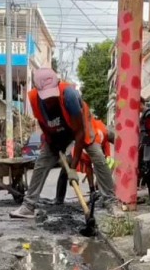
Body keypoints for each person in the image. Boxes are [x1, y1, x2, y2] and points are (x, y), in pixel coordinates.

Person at [10, 67, 119, 219]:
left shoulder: (69, 95)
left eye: (52, 95)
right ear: (37, 89)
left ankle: (111, 202)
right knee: (41, 164)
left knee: (99, 158)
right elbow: (42, 122)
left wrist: (73, 168)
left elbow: (80, 133)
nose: (49, 100)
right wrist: (51, 142)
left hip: (80, 126)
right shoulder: (34, 98)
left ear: (58, 85)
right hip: (56, 131)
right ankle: (28, 206)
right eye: (45, 97)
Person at [54, 117, 113, 204]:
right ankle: (59, 199)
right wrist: (92, 188)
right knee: (65, 168)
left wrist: (99, 182)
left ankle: (107, 197)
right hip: (78, 147)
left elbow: (106, 164)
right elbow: (88, 167)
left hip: (91, 141)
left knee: (102, 169)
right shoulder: (85, 145)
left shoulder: (103, 141)